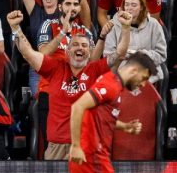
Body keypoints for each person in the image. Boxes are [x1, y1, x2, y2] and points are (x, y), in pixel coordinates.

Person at [3, 51, 156, 173]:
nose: (143, 85)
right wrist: (76, 145)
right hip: (93, 157)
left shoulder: (114, 86)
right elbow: (78, 107)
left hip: (86, 158)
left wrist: (124, 126)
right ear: (135, 70)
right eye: (144, 79)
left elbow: (101, 117)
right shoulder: (110, 84)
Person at [11, 9, 131, 161]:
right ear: (67, 51)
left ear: (89, 52)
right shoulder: (54, 67)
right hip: (57, 146)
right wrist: (16, 28)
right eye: (75, 45)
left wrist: (126, 29)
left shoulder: (94, 70)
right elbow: (28, 53)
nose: (80, 48)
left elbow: (119, 54)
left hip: (86, 145)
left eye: (84, 45)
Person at [102, 0, 167, 83]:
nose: (129, 8)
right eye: (127, 5)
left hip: (148, 69)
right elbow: (107, 55)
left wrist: (141, 55)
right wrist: (123, 56)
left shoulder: (154, 24)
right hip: (122, 70)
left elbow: (161, 54)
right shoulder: (114, 24)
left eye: (133, 5)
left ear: (141, 7)